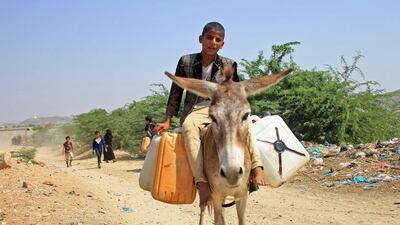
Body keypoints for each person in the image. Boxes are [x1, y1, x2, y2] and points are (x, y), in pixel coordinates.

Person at [155, 22, 267, 207]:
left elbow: (236, 93)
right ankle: (202, 183)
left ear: (222, 44)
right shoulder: (185, 61)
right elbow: (176, 91)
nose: (213, 42)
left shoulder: (229, 64)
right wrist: (168, 120)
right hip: (196, 110)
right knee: (188, 127)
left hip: (222, 109)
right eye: (209, 38)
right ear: (201, 39)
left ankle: (256, 167)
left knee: (245, 124)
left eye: (218, 39)